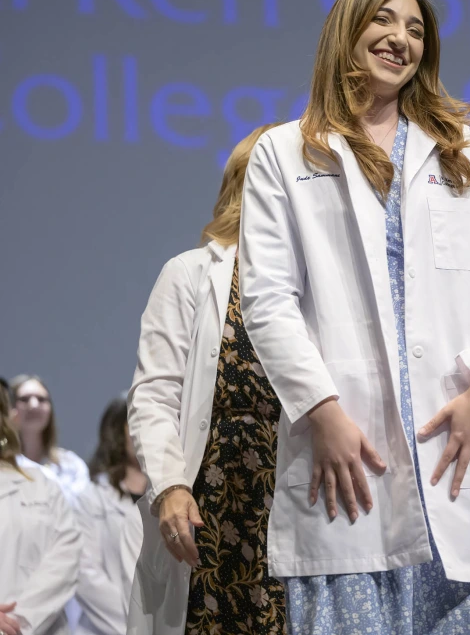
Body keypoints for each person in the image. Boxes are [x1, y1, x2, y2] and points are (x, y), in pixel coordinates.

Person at [239, 0, 470, 633]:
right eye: (384, 20)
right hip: (348, 445)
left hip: (455, 436)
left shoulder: (461, 151)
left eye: (415, 29)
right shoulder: (283, 152)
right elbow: (267, 298)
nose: (400, 38)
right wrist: (321, 410)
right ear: (346, 32)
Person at [126, 123, 284, 635]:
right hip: (208, 511)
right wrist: (170, 486)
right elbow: (154, 396)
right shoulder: (190, 273)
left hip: (295, 510)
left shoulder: (323, 287)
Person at [0, 373, 82, 635]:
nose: (34, 405)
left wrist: (19, 622)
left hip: (39, 625)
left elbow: (66, 555)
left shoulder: (43, 484)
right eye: (25, 399)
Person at [74, 396, 146, 635]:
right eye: (137, 422)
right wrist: (136, 626)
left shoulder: (174, 497)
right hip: (109, 627)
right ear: (118, 433)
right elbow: (85, 574)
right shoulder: (92, 498)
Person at [10, 374, 90, 500]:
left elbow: (80, 511)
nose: (34, 405)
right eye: (24, 399)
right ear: (10, 408)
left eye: (41, 399)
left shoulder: (71, 465)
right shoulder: (4, 466)